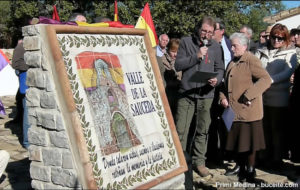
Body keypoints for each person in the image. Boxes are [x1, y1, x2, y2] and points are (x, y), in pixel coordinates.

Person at [174, 16, 224, 178]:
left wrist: (216, 80)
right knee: (182, 130)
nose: (206, 35)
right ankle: (181, 162)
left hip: (206, 93)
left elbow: (220, 68)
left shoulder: (216, 46)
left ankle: (199, 162)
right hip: (187, 93)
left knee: (203, 130)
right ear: (198, 29)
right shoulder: (186, 42)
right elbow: (178, 65)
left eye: (210, 32)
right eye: (204, 31)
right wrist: (196, 56)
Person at [220, 32, 272, 182]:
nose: (232, 49)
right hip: (234, 110)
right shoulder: (232, 62)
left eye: (234, 46)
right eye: (231, 46)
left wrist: (249, 95)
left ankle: (250, 168)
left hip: (248, 110)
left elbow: (266, 79)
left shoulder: (251, 60)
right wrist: (222, 98)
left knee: (250, 142)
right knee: (237, 140)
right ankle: (239, 166)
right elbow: (225, 85)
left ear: (244, 46)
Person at [255, 23, 297, 167]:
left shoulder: (290, 53)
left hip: (279, 97)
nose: (276, 41)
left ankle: (276, 159)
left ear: (285, 39)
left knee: (277, 130)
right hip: (261, 96)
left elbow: (287, 72)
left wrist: (269, 81)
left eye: (280, 38)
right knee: (263, 128)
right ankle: (263, 156)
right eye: (274, 37)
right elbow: (255, 68)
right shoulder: (261, 51)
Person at [207, 18, 233, 164]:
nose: (210, 33)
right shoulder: (208, 45)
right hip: (213, 88)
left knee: (227, 123)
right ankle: (213, 155)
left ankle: (228, 153)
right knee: (212, 123)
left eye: (213, 30)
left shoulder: (231, 45)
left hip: (228, 90)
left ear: (221, 31)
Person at [12, 39, 30, 149]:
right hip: (27, 83)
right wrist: (32, 66)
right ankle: (27, 142)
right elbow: (16, 64)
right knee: (27, 113)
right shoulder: (21, 46)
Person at [158, 38, 181, 117]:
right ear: (168, 50)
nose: (176, 54)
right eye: (173, 52)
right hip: (167, 93)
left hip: (178, 93)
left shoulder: (182, 60)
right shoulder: (162, 59)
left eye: (178, 52)